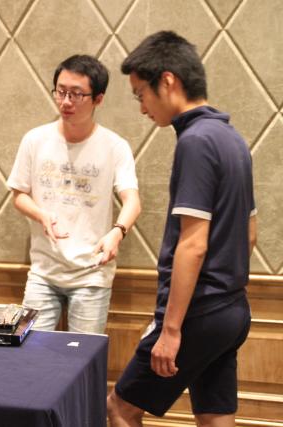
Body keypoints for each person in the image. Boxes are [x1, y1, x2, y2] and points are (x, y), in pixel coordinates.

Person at [107, 31, 257, 426]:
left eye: (141, 94)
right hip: (232, 309)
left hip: (198, 314)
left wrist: (171, 329)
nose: (142, 107)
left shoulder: (196, 141)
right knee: (214, 415)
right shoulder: (234, 139)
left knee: (120, 407)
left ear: (168, 81)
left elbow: (193, 244)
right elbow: (249, 234)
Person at [7, 55, 141, 334]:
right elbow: (19, 195)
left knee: (83, 354)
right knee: (28, 351)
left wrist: (117, 232)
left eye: (77, 94)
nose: (66, 101)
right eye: (61, 91)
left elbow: (132, 201)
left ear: (98, 99)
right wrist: (40, 214)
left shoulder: (114, 146)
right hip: (43, 272)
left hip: (92, 274)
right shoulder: (35, 139)